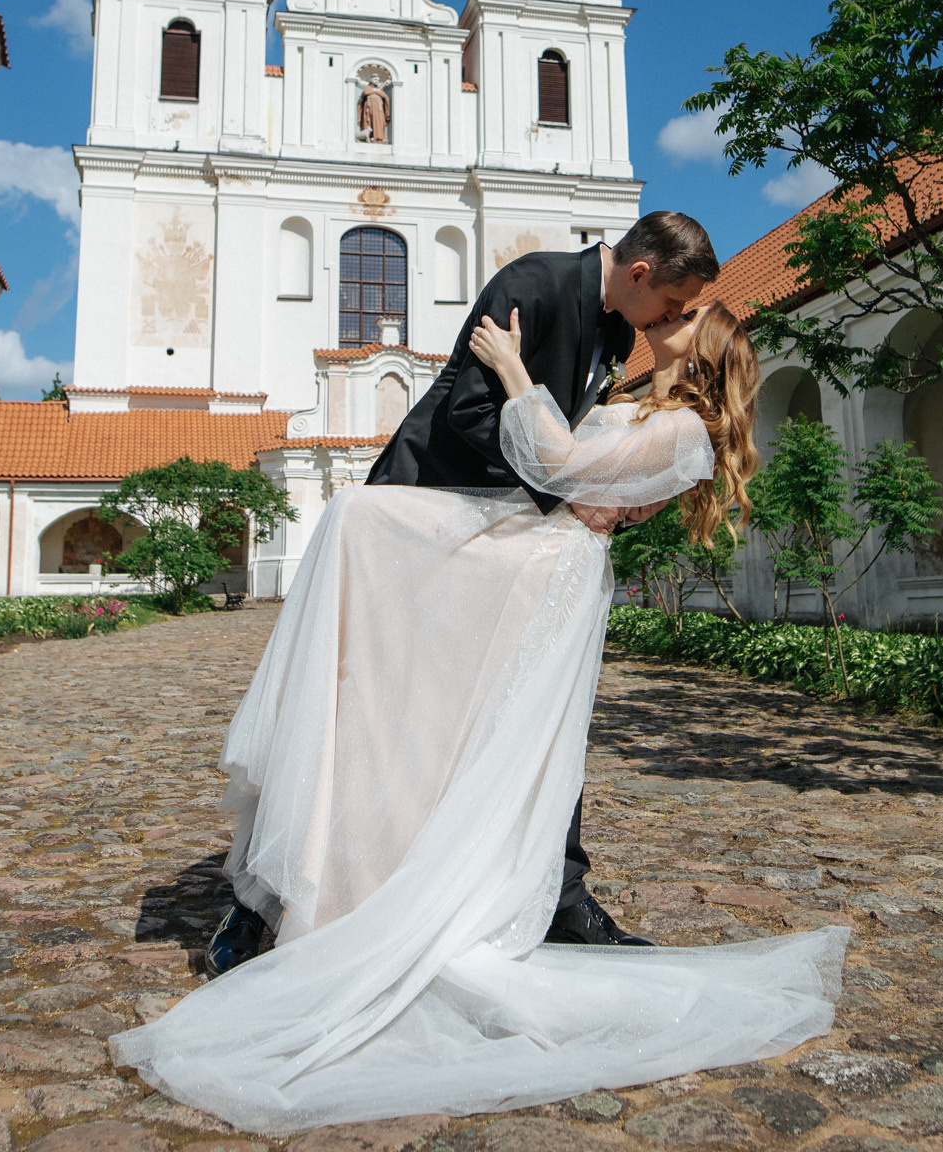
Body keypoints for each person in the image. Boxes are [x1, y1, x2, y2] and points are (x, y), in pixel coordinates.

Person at [109, 298, 845, 1131]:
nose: (667, 316)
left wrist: (511, 368)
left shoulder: (684, 433)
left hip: (540, 567)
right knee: (403, 685)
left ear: (703, 349)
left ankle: (376, 893)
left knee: (360, 524)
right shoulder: (647, 406)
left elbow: (558, 462)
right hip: (527, 548)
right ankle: (340, 870)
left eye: (684, 315)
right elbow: (575, 469)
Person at [209, 213, 719, 969]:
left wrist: (594, 491)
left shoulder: (618, 330)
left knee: (519, 711)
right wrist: (567, 493)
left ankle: (550, 893)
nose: (668, 321)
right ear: (641, 273)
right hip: (425, 516)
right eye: (672, 304)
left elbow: (578, 442)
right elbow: (471, 411)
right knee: (351, 708)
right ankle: (263, 897)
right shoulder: (535, 284)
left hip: (506, 544)